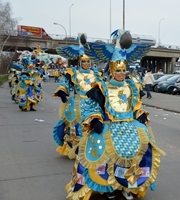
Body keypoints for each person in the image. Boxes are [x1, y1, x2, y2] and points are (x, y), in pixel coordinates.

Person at [65, 29, 164, 200]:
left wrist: (139, 114)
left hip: (129, 125)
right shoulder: (102, 88)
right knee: (104, 154)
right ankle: (108, 187)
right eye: (117, 70)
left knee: (143, 146)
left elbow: (135, 106)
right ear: (111, 69)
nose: (120, 73)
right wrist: (95, 119)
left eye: (123, 70)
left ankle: (128, 186)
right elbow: (92, 107)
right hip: (110, 125)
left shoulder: (131, 86)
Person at [52, 54, 102, 159]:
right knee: (75, 125)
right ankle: (75, 148)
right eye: (84, 61)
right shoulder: (74, 73)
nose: (87, 64)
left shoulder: (96, 74)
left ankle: (92, 148)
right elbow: (65, 83)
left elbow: (103, 87)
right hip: (77, 103)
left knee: (95, 123)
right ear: (80, 62)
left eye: (88, 61)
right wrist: (62, 91)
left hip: (93, 103)